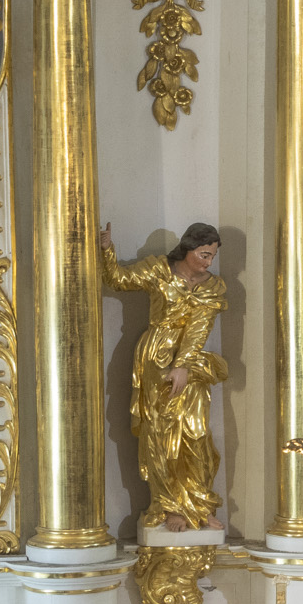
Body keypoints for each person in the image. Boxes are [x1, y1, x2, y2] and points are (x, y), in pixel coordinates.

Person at [100, 220, 228, 533]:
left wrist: (182, 365)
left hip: (191, 361)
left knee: (196, 434)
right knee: (160, 435)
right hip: (155, 357)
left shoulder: (212, 286)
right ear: (188, 249)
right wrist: (106, 250)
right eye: (204, 255)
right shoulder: (158, 270)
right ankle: (170, 505)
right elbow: (118, 280)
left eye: (212, 256)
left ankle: (199, 505)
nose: (208, 262)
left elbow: (199, 327)